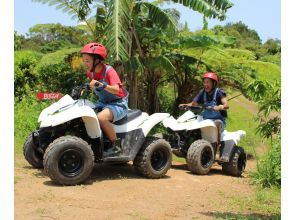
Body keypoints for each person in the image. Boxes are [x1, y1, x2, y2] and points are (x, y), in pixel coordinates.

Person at [81, 42, 128, 156]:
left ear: (97, 60)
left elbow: (117, 90)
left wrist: (103, 85)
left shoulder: (109, 71)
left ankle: (116, 147)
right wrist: (84, 88)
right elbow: (93, 85)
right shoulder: (91, 73)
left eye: (87, 61)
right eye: (84, 61)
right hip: (103, 104)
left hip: (118, 104)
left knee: (101, 118)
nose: (85, 64)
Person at [179, 72, 229, 145]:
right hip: (206, 119)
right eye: (204, 82)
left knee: (217, 123)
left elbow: (226, 105)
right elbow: (193, 104)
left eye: (208, 82)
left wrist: (220, 107)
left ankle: (218, 147)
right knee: (193, 122)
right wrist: (185, 105)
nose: (206, 85)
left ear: (214, 83)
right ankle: (188, 143)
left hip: (219, 120)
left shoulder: (219, 92)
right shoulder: (202, 93)